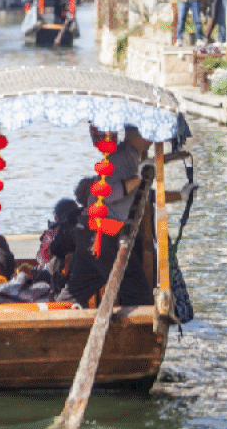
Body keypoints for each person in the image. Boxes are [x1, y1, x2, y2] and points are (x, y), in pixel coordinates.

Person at [57, 127, 155, 307]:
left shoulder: (128, 156)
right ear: (141, 133)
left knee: (74, 294)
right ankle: (134, 335)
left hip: (87, 231)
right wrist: (140, 178)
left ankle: (55, 320)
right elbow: (109, 192)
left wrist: (181, 195)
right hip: (101, 235)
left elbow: (139, 196)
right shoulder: (122, 157)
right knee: (139, 295)